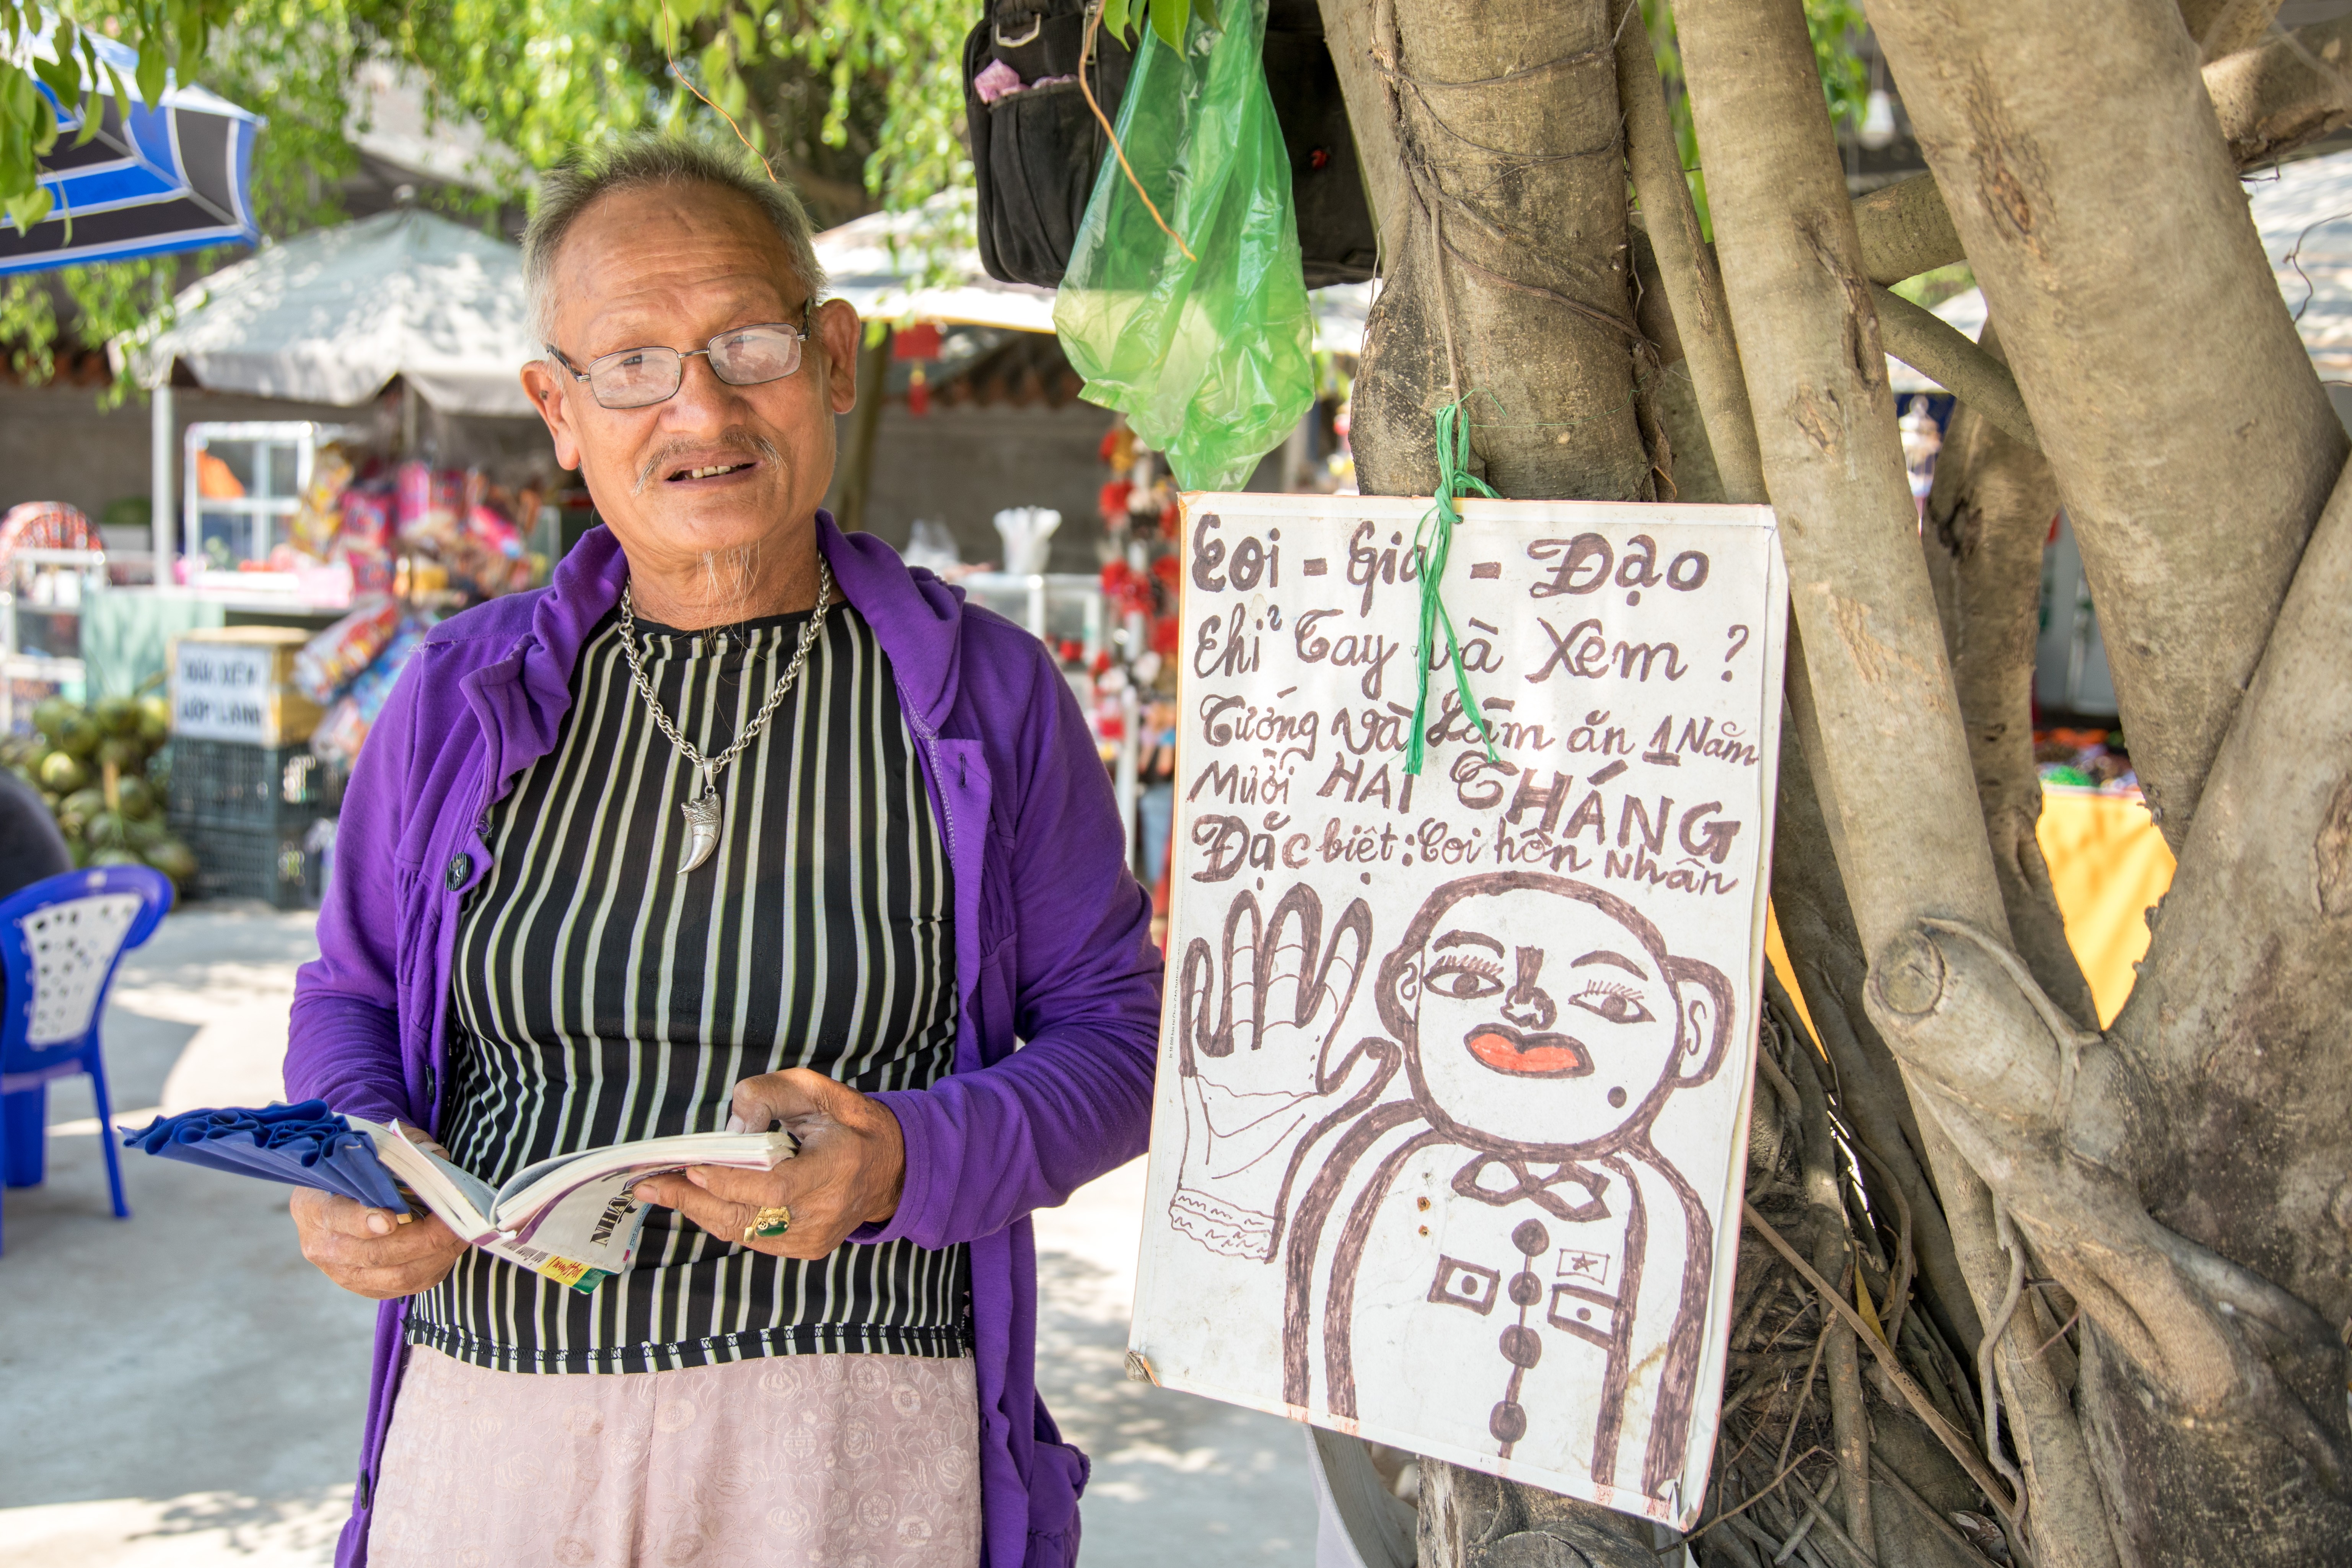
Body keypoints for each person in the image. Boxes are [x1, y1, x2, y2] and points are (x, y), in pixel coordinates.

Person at [284, 134, 1161, 1568]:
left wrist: (903, 1162)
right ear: (556, 412)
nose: (698, 403)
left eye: (744, 341)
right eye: (630, 364)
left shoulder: (983, 694)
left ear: (829, 357)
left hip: (842, 1443)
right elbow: (350, 999)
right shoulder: (459, 693)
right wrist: (358, 1161)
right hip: (494, 1431)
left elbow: (1120, 1038)